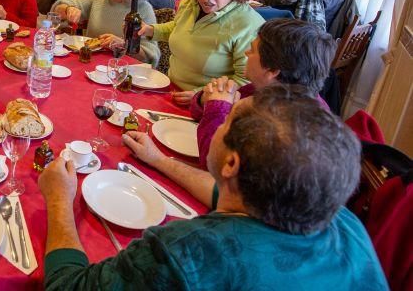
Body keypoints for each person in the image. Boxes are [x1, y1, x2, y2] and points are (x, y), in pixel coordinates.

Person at [40, 85, 386, 290]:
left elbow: (67, 286)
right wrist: (159, 160)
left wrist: (58, 199)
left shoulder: (190, 252)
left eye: (228, 118)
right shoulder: (343, 221)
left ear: (232, 163)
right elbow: (226, 194)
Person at [187, 18, 336, 164]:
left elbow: (218, 164)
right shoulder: (263, 88)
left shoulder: (291, 128)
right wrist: (204, 99)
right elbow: (199, 113)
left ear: (272, 70)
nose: (246, 53)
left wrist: (217, 108)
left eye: (252, 50)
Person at [137, 0, 265, 100]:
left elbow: (247, 82)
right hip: (169, 89)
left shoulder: (248, 24)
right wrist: (151, 30)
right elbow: (179, 28)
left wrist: (201, 95)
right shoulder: (191, 2)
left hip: (209, 104)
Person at [52, 0, 159, 64]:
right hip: (89, 63)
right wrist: (68, 9)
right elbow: (58, 10)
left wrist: (124, 45)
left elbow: (150, 56)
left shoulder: (144, 10)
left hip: (123, 70)